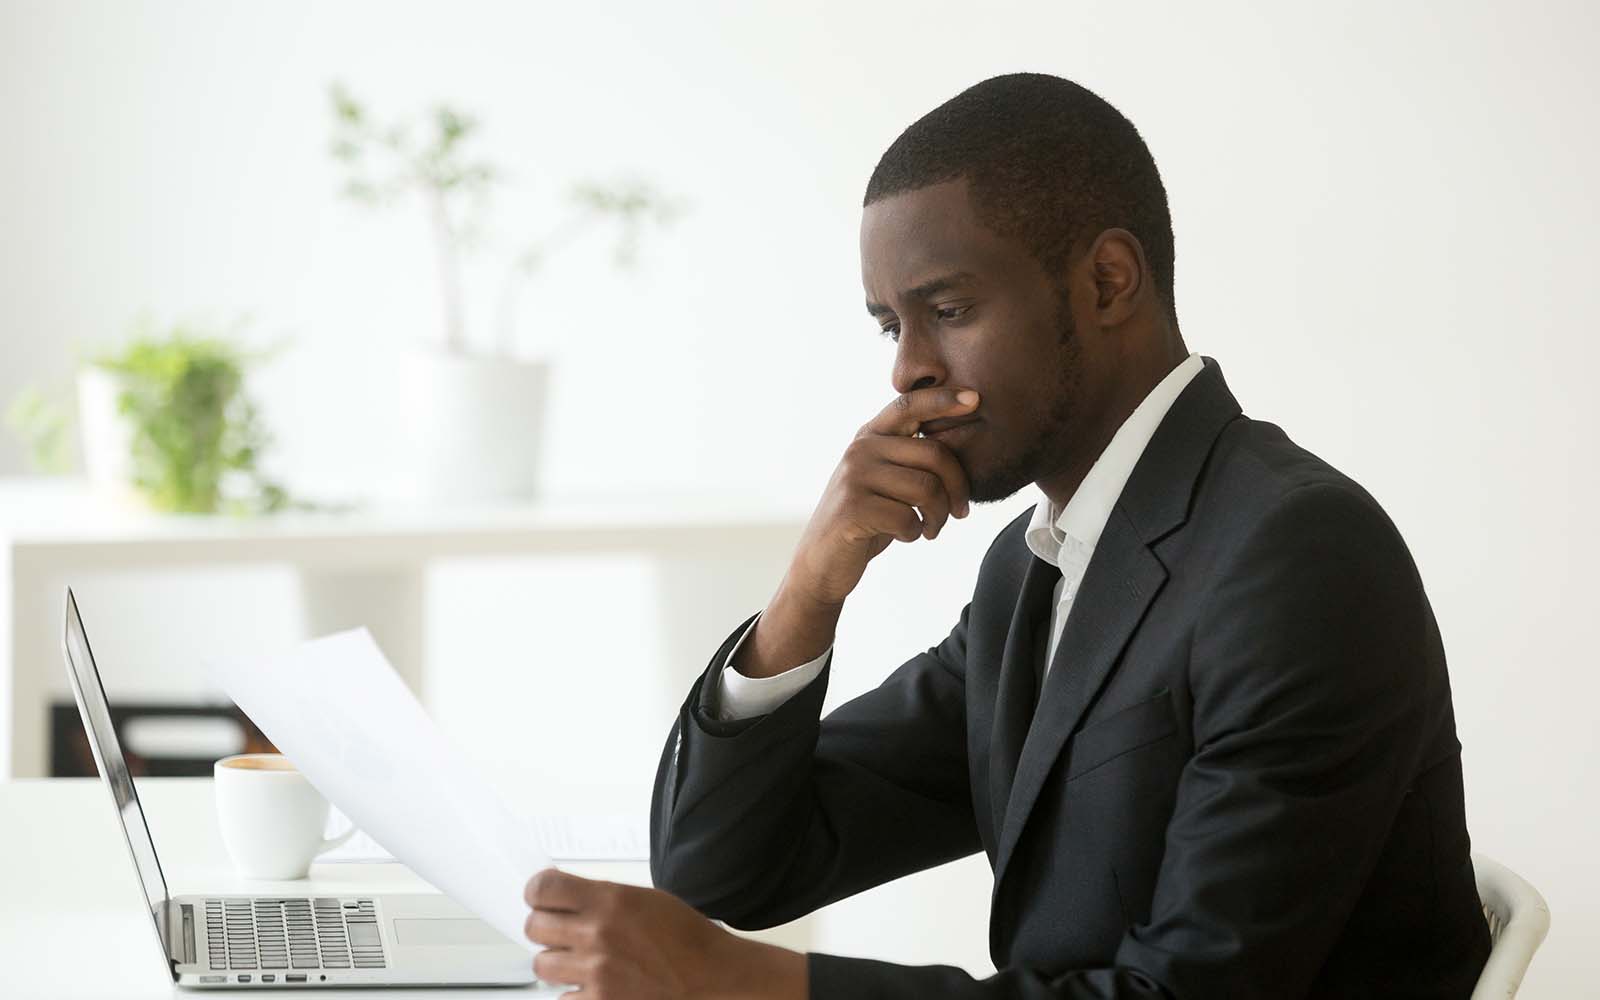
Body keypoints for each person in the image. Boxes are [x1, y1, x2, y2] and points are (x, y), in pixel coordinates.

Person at [521, 72, 1491, 999]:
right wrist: (809, 590)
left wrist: (734, 979)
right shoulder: (1033, 574)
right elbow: (722, 870)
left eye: (946, 310)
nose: (906, 370)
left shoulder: (1296, 557)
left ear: (1109, 281)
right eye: (887, 326)